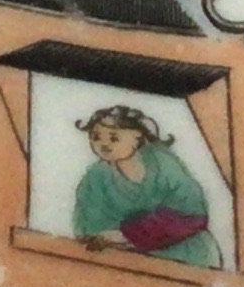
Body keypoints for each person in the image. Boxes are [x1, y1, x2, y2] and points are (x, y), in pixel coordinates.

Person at [72, 104, 220, 267]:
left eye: (114, 138)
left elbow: (192, 213)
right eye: (96, 137)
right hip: (126, 260)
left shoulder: (162, 163)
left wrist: (130, 235)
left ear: (138, 137)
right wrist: (103, 237)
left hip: (187, 256)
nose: (103, 144)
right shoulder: (96, 176)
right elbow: (87, 224)